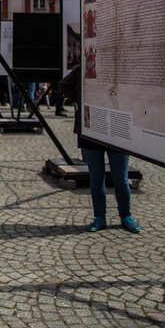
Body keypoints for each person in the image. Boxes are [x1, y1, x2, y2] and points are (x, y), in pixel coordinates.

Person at [58, 64, 141, 233]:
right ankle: (99, 217)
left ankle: (126, 216)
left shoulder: (121, 68)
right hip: (92, 128)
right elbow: (63, 85)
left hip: (117, 128)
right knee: (96, 177)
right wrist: (81, 100)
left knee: (121, 178)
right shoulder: (84, 67)